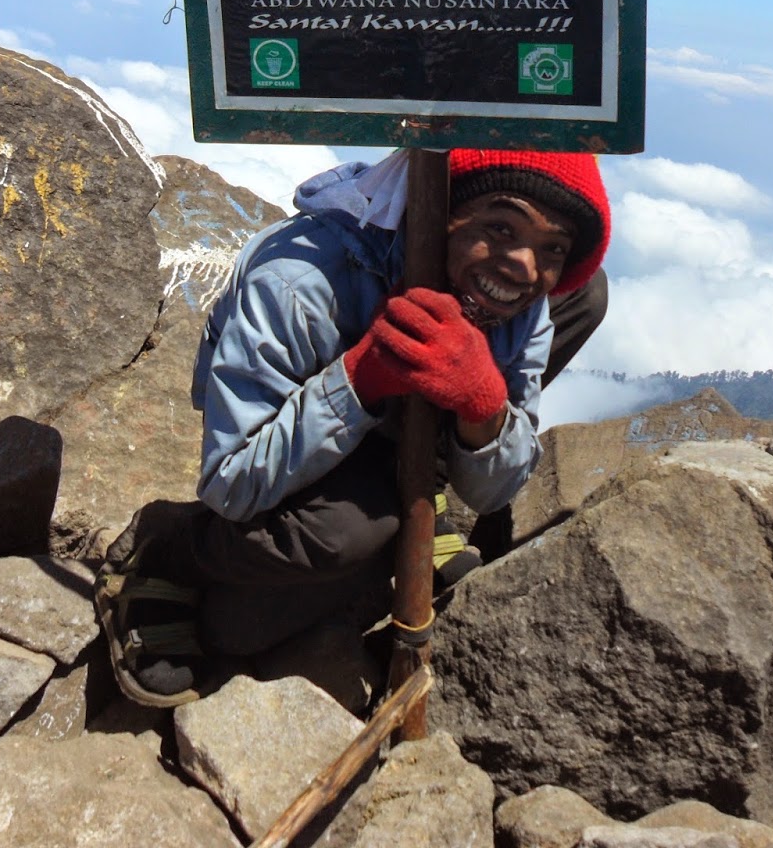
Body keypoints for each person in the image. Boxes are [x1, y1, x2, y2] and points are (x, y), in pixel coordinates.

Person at [94, 148, 610, 706]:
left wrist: (481, 402)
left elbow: (489, 491)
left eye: (553, 247)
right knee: (328, 550)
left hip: (387, 405)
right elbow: (231, 480)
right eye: (499, 226)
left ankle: (420, 492)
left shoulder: (522, 298)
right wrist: (362, 377)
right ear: (435, 213)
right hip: (285, 416)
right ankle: (167, 550)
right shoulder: (299, 283)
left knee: (587, 295)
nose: (524, 266)